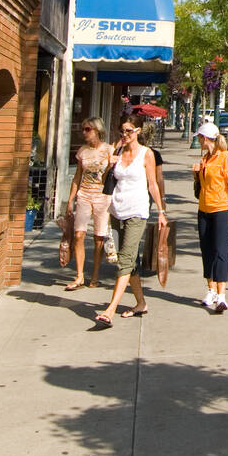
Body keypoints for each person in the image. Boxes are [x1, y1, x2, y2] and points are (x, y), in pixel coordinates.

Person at [95, 119, 166, 326]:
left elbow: (153, 184)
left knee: (125, 260)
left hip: (137, 212)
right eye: (122, 130)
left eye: (128, 130)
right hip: (116, 212)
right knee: (126, 260)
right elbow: (104, 182)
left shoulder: (147, 154)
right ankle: (141, 303)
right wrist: (109, 166)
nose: (124, 134)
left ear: (137, 131)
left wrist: (161, 210)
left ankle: (110, 309)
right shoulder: (118, 153)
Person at [193, 122, 228, 313]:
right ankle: (210, 289)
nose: (198, 140)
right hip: (204, 210)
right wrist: (196, 175)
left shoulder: (225, 158)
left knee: (220, 251)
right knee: (207, 250)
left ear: (205, 138)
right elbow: (202, 188)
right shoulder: (205, 159)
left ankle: (221, 296)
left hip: (221, 210)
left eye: (199, 137)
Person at [64, 118, 115, 290]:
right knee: (79, 235)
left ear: (97, 130)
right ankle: (79, 276)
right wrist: (70, 199)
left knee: (98, 237)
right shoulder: (82, 152)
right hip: (84, 195)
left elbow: (112, 175)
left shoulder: (109, 149)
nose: (84, 132)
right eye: (83, 129)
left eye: (87, 129)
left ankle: (95, 274)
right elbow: (77, 176)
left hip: (102, 196)